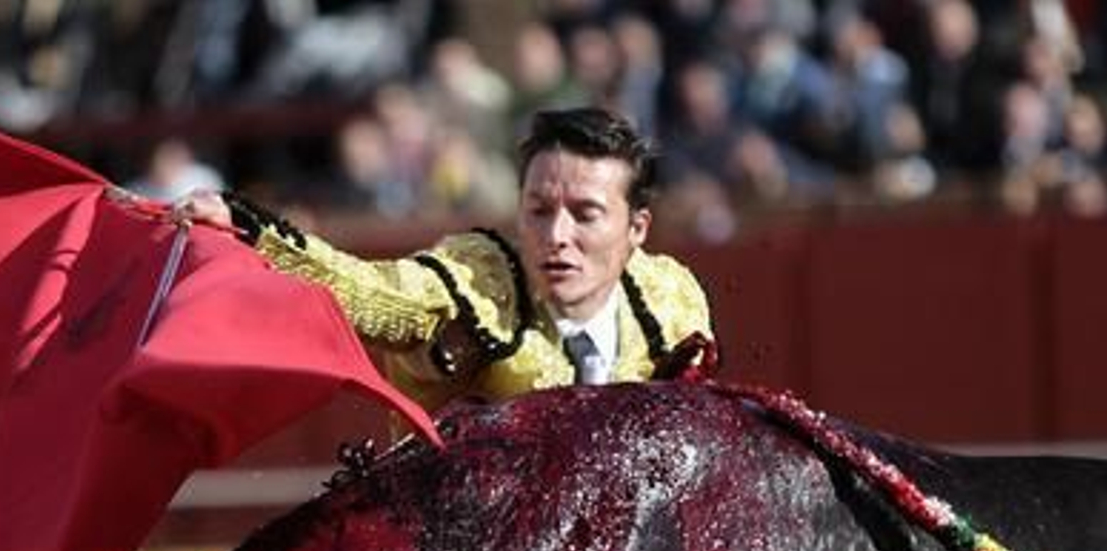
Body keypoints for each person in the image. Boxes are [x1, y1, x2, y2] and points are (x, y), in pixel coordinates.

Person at [169, 106, 714, 413]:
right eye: (539, 210)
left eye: (585, 214)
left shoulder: (672, 302)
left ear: (636, 228)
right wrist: (251, 229)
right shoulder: (478, 279)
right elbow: (369, 294)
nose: (557, 235)